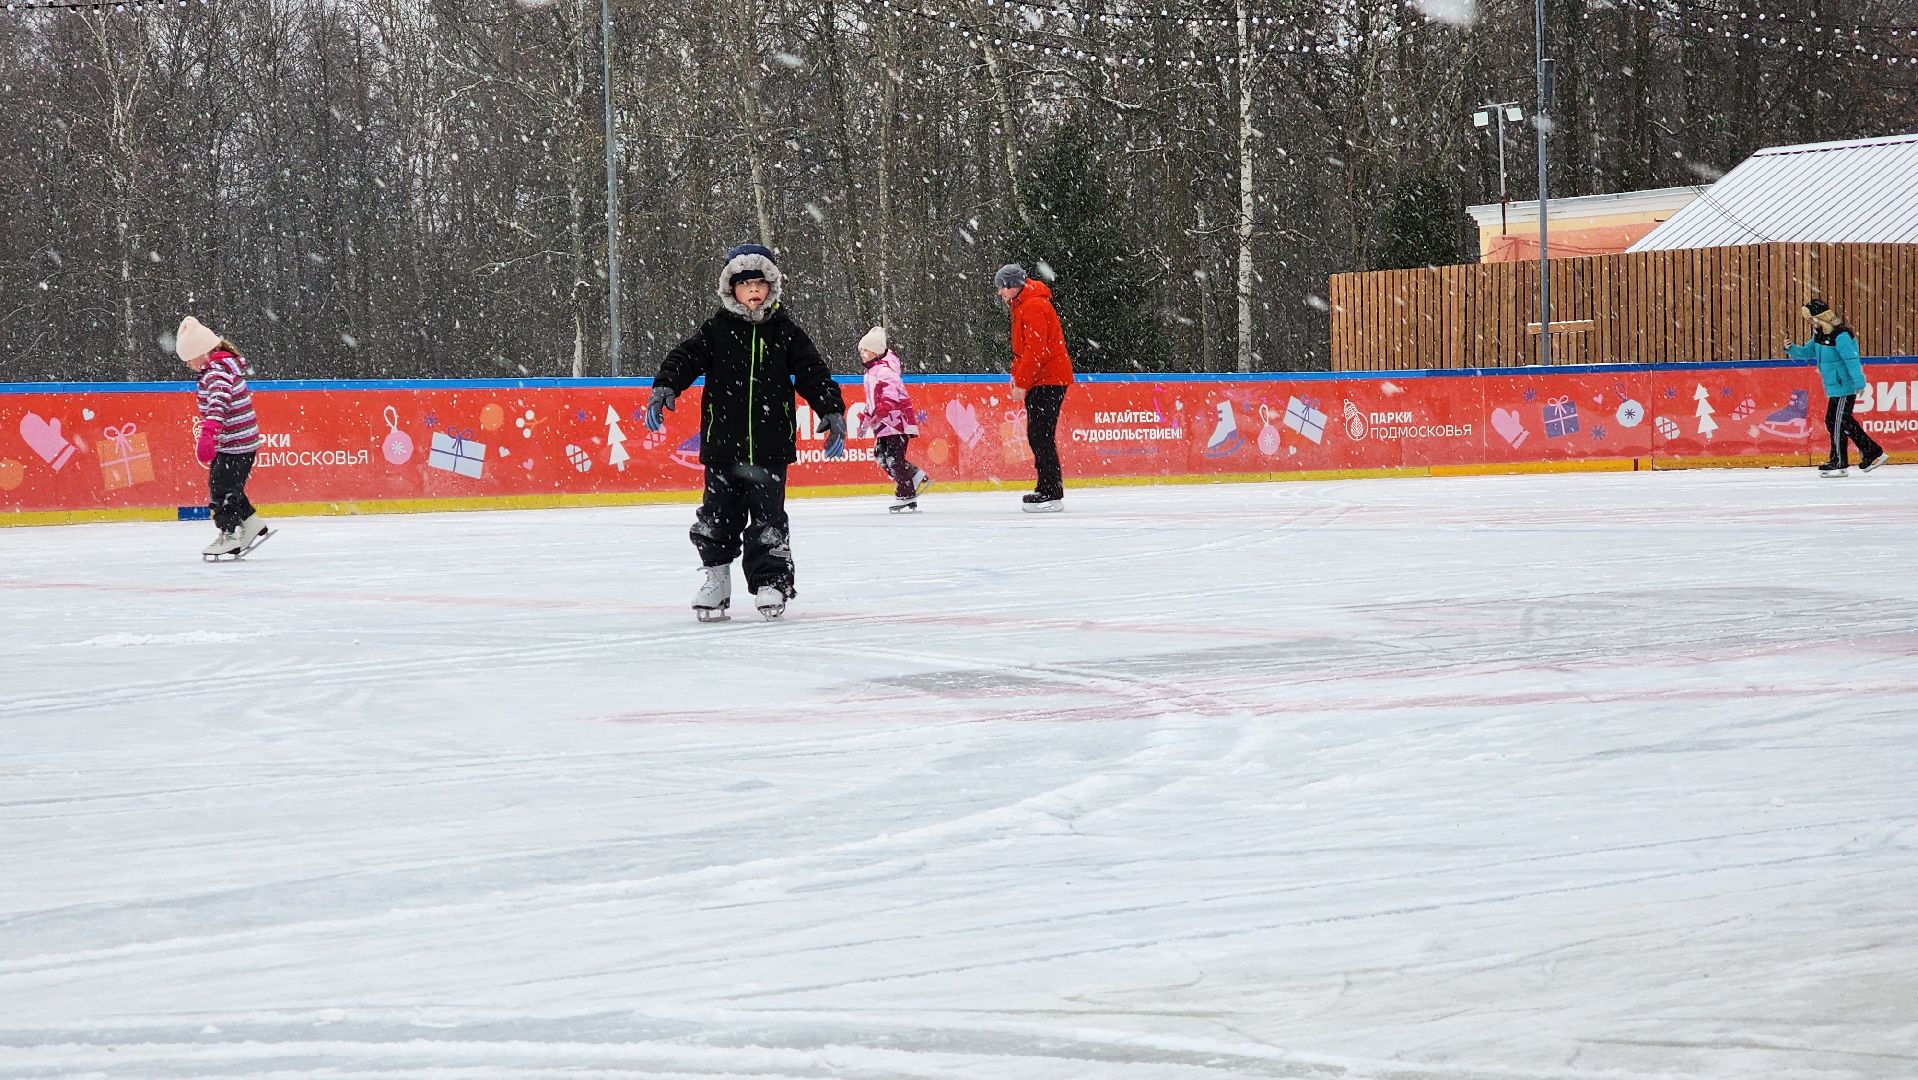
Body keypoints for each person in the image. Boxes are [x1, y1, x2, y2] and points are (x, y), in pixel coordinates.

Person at [645, 243, 846, 620]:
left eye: (760, 282)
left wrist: (832, 409)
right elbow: (684, 357)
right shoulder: (717, 330)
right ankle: (716, 579)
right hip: (723, 445)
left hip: (770, 446)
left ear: (771, 287)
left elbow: (814, 373)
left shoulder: (785, 332)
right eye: (744, 284)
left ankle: (771, 581)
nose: (753, 290)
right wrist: (666, 384)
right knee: (717, 516)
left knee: (768, 520)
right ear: (730, 289)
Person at [178, 315, 270, 558]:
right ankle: (251, 522)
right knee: (228, 485)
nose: (189, 364)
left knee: (222, 489)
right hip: (239, 442)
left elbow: (219, 404)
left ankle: (229, 535)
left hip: (236, 443)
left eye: (189, 358)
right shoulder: (221, 367)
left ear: (201, 352)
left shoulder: (215, 373)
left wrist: (208, 434)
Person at [994, 263, 1075, 512]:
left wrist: (1022, 382)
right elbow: (1022, 349)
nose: (999, 293)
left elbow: (1036, 350)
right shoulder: (1022, 305)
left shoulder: (1033, 306)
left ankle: (1051, 491)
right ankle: (1046, 487)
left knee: (1041, 435)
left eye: (1001, 288)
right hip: (1042, 378)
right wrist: (1016, 375)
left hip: (1049, 379)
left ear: (1012, 286)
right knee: (1037, 434)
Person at [1785, 298, 1886, 477]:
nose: (1809, 322)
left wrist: (1858, 382)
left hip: (1844, 386)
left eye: (1810, 318)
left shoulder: (1841, 335)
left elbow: (1851, 359)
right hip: (1834, 387)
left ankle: (1847, 460)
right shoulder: (1820, 334)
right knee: (1837, 421)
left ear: (1819, 317)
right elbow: (1807, 353)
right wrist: (1791, 348)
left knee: (1838, 421)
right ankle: (1864, 455)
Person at [855, 326, 929, 511]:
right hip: (884, 425)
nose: (862, 354)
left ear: (875, 351)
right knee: (882, 457)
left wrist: (880, 413)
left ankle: (906, 492)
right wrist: (865, 422)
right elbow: (871, 403)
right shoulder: (870, 373)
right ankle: (913, 477)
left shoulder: (885, 371)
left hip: (896, 423)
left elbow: (890, 396)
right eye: (861, 350)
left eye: (865, 350)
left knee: (894, 459)